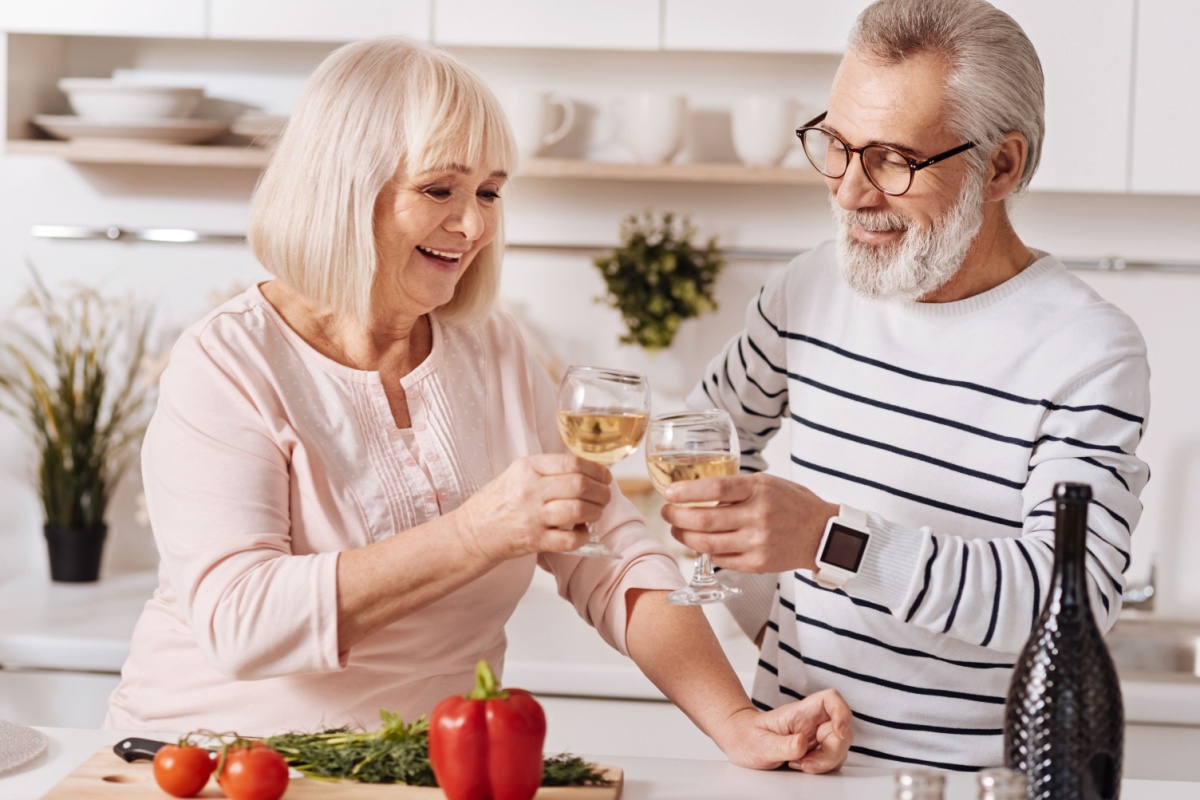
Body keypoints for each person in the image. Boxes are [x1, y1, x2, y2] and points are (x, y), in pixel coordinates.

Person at [103, 36, 852, 773]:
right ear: (344, 189)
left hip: (420, 770)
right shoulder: (227, 362)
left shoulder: (487, 347)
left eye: (489, 191)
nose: (476, 226)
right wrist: (474, 534)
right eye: (440, 190)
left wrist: (735, 721)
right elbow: (241, 623)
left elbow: (614, 558)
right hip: (214, 768)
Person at [661, 0, 1150, 773]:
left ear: (1000, 166)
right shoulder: (808, 289)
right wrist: (766, 617)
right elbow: (698, 443)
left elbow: (1072, 602)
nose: (851, 192)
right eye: (838, 146)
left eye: (894, 160)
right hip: (789, 772)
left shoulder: (1087, 350)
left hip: (967, 784)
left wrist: (828, 539)